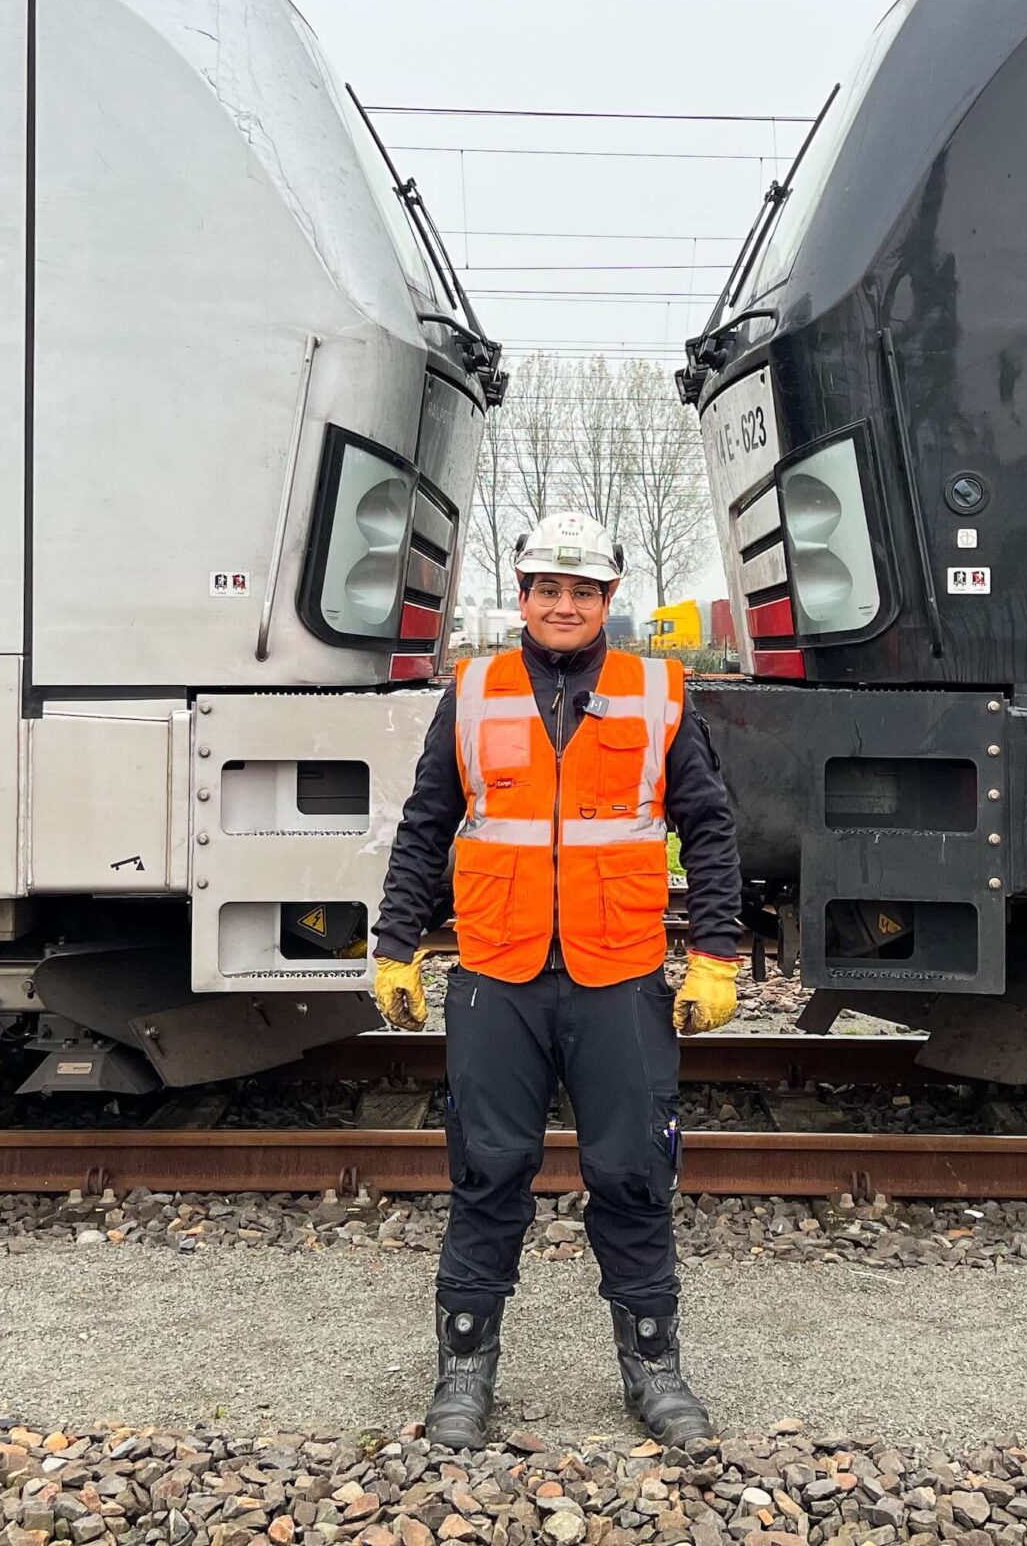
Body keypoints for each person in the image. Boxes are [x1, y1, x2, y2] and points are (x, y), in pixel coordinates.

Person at [370, 509, 746, 1449]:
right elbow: (426, 823)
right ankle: (464, 1366)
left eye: (583, 592)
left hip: (618, 972)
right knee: (489, 1167)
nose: (564, 606)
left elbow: (710, 828)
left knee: (630, 1171)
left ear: (608, 601)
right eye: (548, 589)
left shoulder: (660, 691)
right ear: (526, 596)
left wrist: (714, 954)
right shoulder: (475, 689)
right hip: (499, 971)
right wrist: (395, 942)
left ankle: (653, 1366)